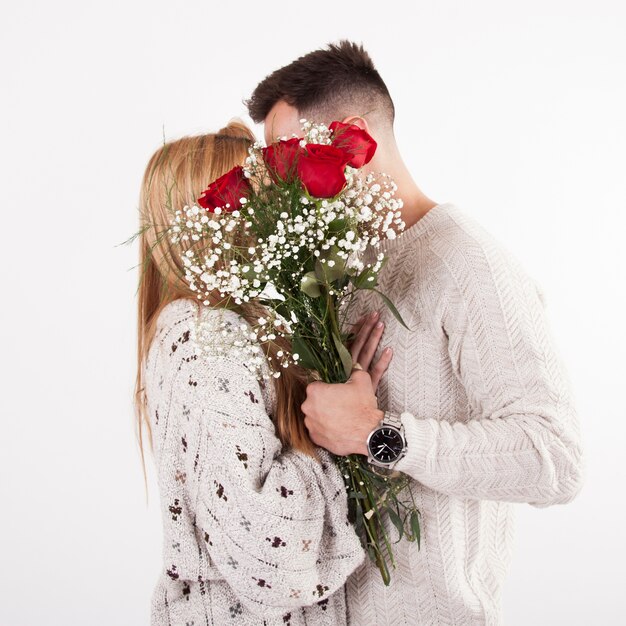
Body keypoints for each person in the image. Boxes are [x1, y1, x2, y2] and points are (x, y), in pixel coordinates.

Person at [246, 41, 586, 625]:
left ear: (352, 137)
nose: (281, 183)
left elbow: (556, 458)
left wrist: (380, 434)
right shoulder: (342, 268)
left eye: (288, 157)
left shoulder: (471, 263)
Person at [134, 122, 393, 625]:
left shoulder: (218, 328)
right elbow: (267, 555)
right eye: (255, 195)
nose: (274, 211)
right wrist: (335, 428)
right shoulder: (205, 340)